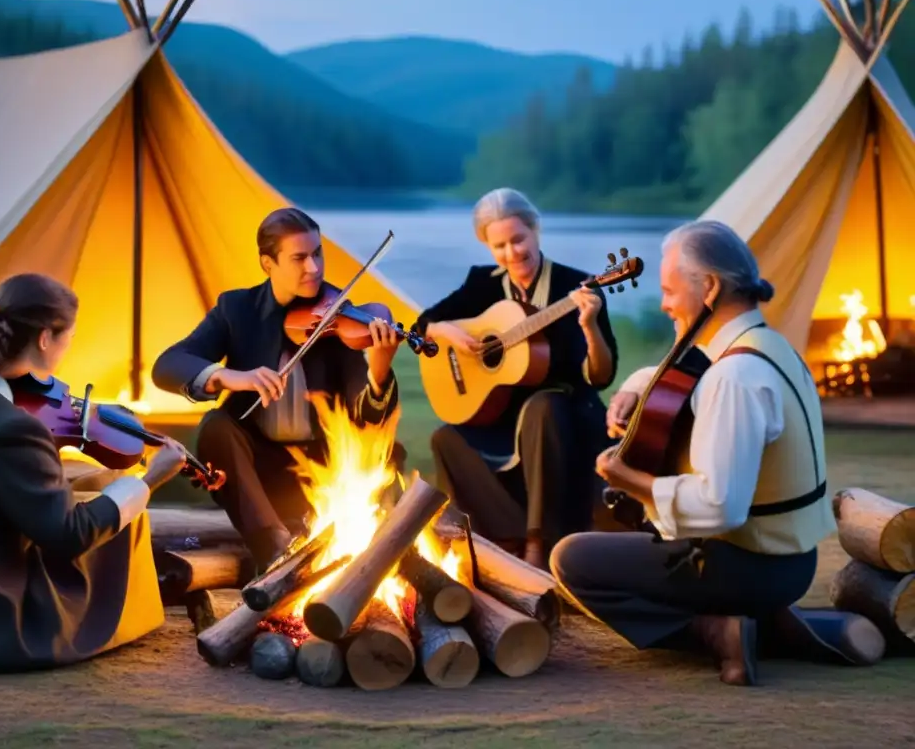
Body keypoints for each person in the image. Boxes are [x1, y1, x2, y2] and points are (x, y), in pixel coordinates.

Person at [549, 220, 856, 687]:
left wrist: (624, 476)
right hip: (792, 558)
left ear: (709, 287)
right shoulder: (768, 347)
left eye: (671, 290)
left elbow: (720, 506)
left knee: (570, 559)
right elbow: (687, 371)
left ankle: (716, 631)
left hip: (752, 564)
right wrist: (635, 388)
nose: (665, 303)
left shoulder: (733, 379)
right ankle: (770, 623)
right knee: (614, 520)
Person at [0, 273, 187, 673]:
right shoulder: (13, 428)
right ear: (45, 338)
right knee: (125, 522)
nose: (66, 350)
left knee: (93, 488)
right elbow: (67, 536)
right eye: (68, 339)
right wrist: (148, 480)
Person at [151, 207, 404, 570]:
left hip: (326, 467)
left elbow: (365, 420)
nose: (314, 268)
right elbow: (168, 364)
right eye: (299, 258)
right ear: (267, 263)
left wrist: (379, 372)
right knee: (216, 428)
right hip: (261, 474)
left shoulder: (337, 315)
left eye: (317, 253)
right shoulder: (237, 309)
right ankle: (275, 554)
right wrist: (226, 376)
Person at [412, 188, 618, 568]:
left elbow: (602, 376)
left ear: (536, 230)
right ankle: (490, 543)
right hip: (502, 421)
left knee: (543, 405)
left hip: (564, 420)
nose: (512, 253)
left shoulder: (576, 286)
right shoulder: (483, 284)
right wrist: (444, 331)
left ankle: (540, 545)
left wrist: (589, 325)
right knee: (445, 438)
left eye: (519, 239)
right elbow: (419, 328)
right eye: (500, 246)